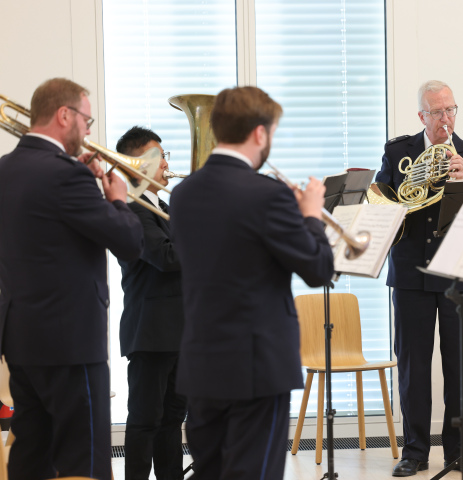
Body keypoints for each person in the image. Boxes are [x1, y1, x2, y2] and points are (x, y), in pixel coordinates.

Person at [170, 85, 334, 479]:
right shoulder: (268, 195)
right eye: (273, 132)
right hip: (256, 367)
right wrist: (311, 215)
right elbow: (318, 269)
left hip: (201, 364)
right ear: (259, 133)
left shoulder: (182, 193)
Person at [0, 77, 144, 480]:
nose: (89, 130)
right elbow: (130, 243)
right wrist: (116, 198)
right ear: (64, 115)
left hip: (22, 341)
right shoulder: (66, 176)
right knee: (85, 461)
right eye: (87, 119)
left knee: (32, 454)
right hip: (71, 344)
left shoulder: (6, 169)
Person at [376, 80, 463, 477]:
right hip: (410, 272)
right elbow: (383, 200)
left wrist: (462, 182)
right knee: (413, 368)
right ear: (421, 116)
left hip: (459, 272)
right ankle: (415, 451)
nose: (446, 119)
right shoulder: (398, 151)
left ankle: (460, 451)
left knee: (460, 368)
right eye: (437, 112)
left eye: (451, 110)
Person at [116, 126, 187, 480]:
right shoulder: (131, 208)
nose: (165, 166)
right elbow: (165, 257)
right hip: (152, 331)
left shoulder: (164, 206)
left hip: (179, 331)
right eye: (158, 158)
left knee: (173, 419)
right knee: (145, 420)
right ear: (137, 164)